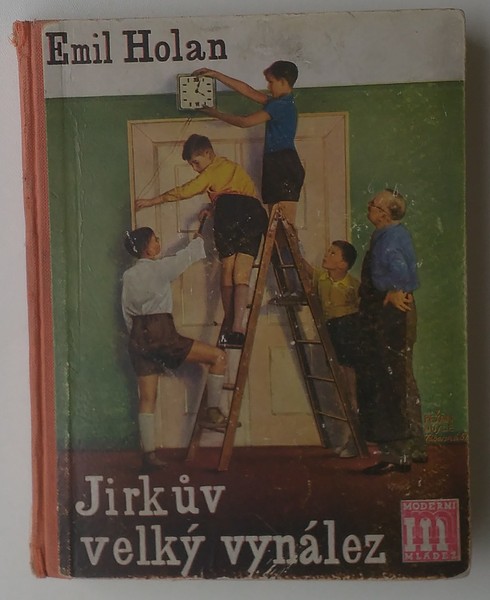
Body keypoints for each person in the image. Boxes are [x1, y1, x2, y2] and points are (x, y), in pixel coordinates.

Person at [136, 134, 268, 347]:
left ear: (208, 153)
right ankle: (238, 327)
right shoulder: (231, 166)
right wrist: (212, 208)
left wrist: (152, 201)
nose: (195, 168)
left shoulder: (210, 172)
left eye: (196, 163)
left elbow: (184, 191)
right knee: (242, 271)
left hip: (230, 213)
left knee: (228, 269)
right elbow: (239, 194)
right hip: (254, 213)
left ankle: (229, 323)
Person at [122, 226, 227, 470]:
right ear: (147, 249)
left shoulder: (128, 276)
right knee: (218, 357)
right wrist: (198, 239)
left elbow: (126, 312)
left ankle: (148, 456)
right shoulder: (159, 268)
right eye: (155, 240)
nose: (159, 242)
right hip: (161, 331)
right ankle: (213, 410)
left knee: (147, 398)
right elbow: (185, 258)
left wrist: (138, 336)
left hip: (137, 337)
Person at [356, 189, 427, 475]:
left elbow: (400, 271)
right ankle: (414, 446)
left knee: (391, 380)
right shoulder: (390, 233)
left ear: (384, 213)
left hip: (393, 314)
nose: (369, 207)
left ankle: (398, 455)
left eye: (373, 204)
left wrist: (395, 290)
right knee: (402, 378)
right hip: (395, 312)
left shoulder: (389, 237)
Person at [193, 60, 305, 225]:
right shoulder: (279, 102)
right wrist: (216, 75)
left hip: (283, 164)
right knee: (277, 225)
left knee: (284, 225)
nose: (268, 86)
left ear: (282, 81)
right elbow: (247, 90)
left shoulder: (281, 106)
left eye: (271, 82)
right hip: (276, 162)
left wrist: (215, 113)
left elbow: (244, 122)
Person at [304, 241, 361, 458]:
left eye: (333, 253)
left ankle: (355, 439)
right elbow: (303, 266)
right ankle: (346, 436)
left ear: (343, 264)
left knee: (350, 388)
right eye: (328, 250)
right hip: (331, 332)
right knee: (337, 390)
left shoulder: (353, 285)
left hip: (348, 332)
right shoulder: (321, 278)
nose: (326, 254)